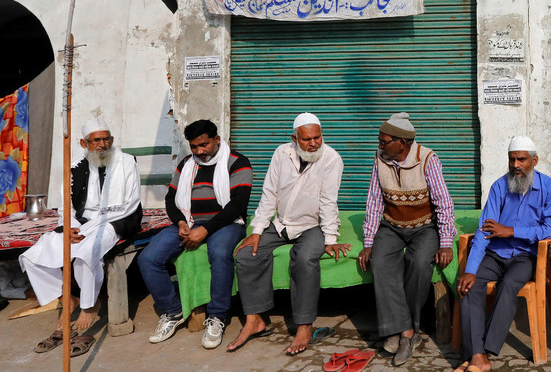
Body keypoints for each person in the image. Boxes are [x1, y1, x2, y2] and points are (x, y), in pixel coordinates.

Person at [225, 113, 351, 355]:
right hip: (282, 223)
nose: (314, 143)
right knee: (247, 254)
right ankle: (255, 321)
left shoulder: (331, 159)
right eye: (307, 139)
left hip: (312, 225)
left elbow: (328, 201)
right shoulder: (282, 153)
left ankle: (304, 326)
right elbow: (269, 193)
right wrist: (257, 230)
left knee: (304, 259)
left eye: (317, 137)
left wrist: (330, 238)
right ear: (294, 139)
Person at [447, 136, 551, 372]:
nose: (516, 165)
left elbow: (549, 229)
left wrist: (511, 231)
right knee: (467, 285)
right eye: (512, 159)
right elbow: (484, 233)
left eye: (521, 159)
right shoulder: (499, 187)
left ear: (534, 161)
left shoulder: (548, 187)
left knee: (509, 285)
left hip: (525, 255)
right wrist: (471, 270)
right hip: (495, 255)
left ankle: (481, 354)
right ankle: (478, 357)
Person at [21, 118, 142, 355]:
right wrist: (70, 227)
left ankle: (89, 306)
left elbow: (132, 203)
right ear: (84, 143)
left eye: (106, 138)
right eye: (96, 140)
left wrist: (90, 229)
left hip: (115, 221)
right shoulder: (74, 166)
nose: (102, 144)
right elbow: (66, 207)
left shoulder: (127, 161)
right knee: (33, 255)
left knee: (87, 253)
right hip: (81, 223)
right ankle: (70, 297)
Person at [137, 119, 252, 349]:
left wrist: (206, 229)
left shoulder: (238, 162)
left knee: (219, 254)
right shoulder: (186, 164)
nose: (200, 151)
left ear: (217, 139)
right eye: (194, 147)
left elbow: (238, 204)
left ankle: (217, 316)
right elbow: (171, 199)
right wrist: (180, 222)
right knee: (147, 259)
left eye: (205, 145)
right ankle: (173, 311)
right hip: (188, 220)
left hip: (226, 223)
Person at [358, 112, 456, 366]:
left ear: (401, 143)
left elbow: (443, 203)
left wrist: (445, 241)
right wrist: (369, 241)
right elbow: (374, 200)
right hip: (392, 227)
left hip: (425, 227)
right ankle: (403, 331)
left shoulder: (428, 159)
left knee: (420, 262)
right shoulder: (380, 159)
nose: (379, 146)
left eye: (384, 141)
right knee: (380, 261)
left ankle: (409, 330)